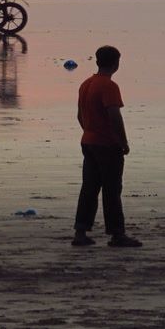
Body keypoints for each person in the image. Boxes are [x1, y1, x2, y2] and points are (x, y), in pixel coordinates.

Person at [72, 45, 142, 247]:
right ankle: (117, 234)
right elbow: (114, 117)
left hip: (88, 141)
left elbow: (79, 115)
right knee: (112, 190)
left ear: (97, 61)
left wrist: (90, 130)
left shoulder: (86, 84)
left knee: (89, 189)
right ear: (116, 63)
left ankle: (80, 232)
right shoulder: (109, 86)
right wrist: (123, 142)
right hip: (106, 145)